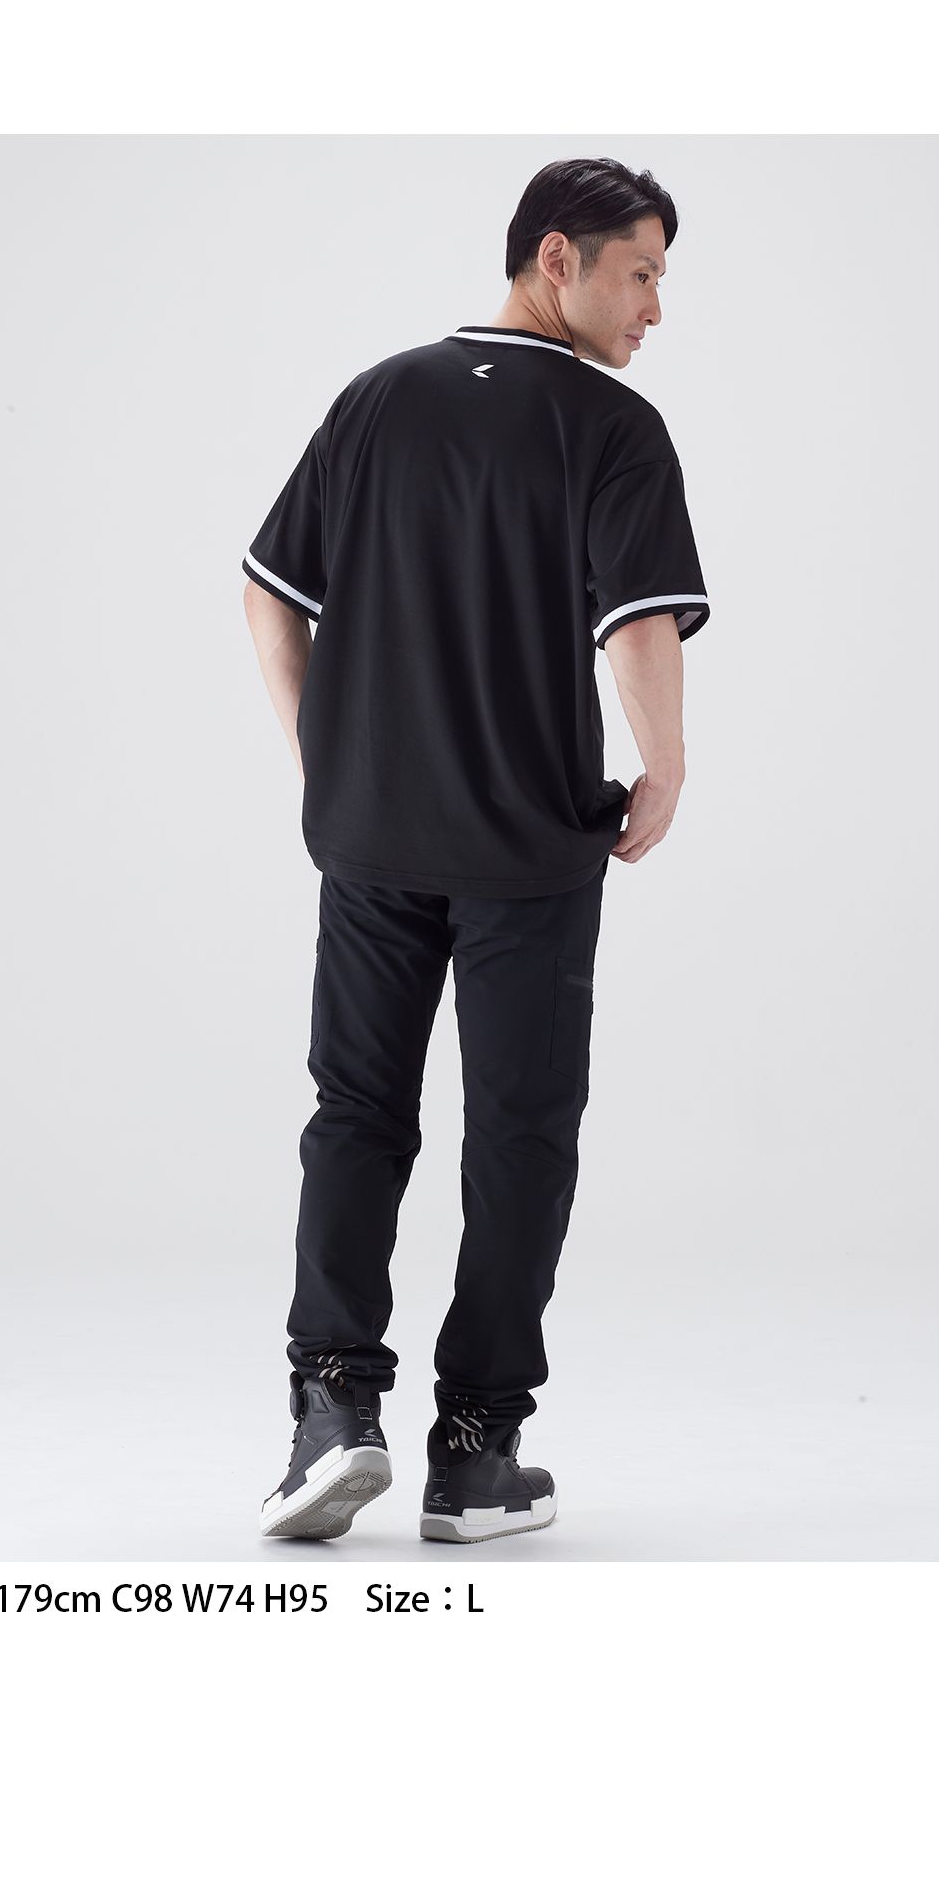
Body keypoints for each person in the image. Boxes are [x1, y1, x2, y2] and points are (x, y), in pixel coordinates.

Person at [243, 157, 710, 1543]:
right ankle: (473, 1451)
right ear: (558, 260)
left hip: (371, 838)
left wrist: (326, 757)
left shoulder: (379, 397)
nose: (655, 309)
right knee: (519, 1137)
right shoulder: (612, 426)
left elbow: (268, 591)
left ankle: (330, 1411)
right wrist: (667, 767)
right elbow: (638, 623)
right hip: (529, 847)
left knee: (356, 1114)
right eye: (642, 274)